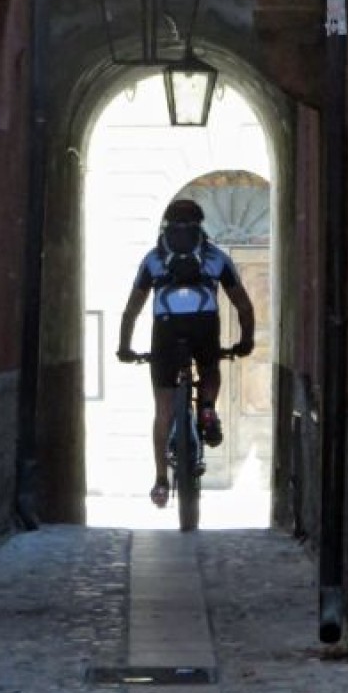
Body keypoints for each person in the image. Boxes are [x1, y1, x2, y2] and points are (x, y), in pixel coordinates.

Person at [117, 198, 255, 508]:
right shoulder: (215, 258)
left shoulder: (153, 260)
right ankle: (206, 407)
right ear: (199, 226)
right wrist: (246, 342)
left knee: (163, 409)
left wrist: (125, 347)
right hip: (203, 326)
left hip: (165, 332)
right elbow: (243, 305)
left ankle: (161, 481)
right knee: (209, 368)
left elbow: (131, 310)